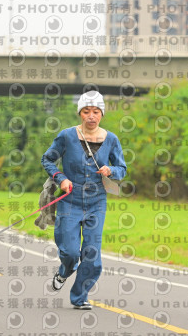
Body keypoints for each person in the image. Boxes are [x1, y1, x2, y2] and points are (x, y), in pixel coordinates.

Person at [41, 91, 127, 310]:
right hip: (70, 199)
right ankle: (64, 271)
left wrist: (111, 170)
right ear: (80, 113)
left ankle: (79, 297)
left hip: (97, 201)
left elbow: (122, 168)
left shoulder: (111, 139)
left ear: (102, 114)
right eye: (86, 111)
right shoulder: (66, 136)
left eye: (96, 111)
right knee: (70, 252)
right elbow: (48, 159)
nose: (91, 116)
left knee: (92, 256)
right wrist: (60, 178)